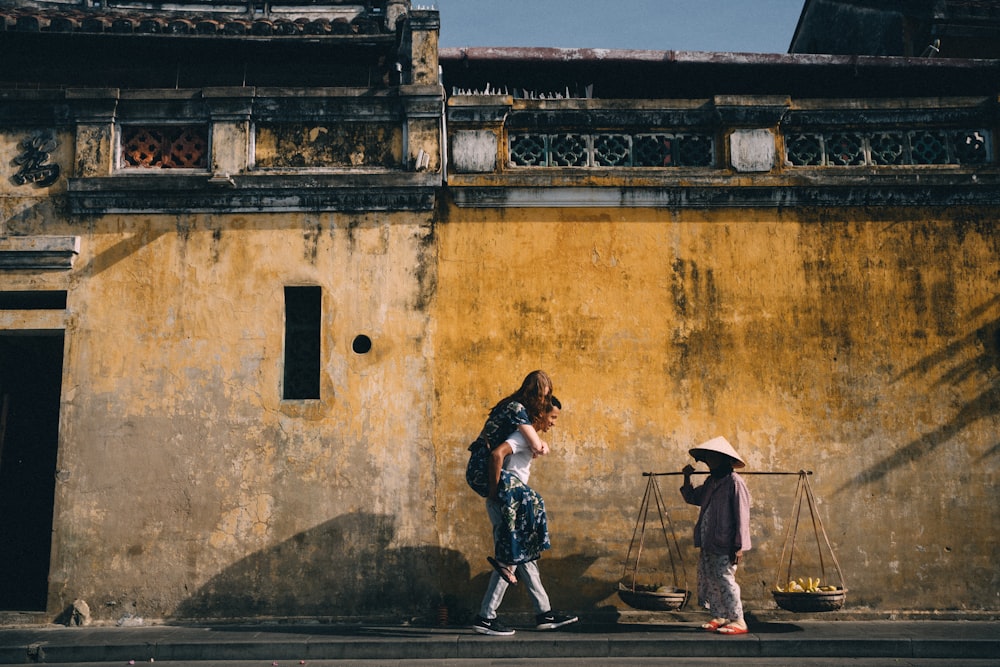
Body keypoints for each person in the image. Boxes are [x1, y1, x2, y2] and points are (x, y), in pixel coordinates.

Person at [472, 396, 579, 636]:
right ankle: (485, 617)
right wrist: (495, 494)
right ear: (539, 414)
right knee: (510, 556)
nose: (553, 423)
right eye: (552, 417)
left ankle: (544, 614)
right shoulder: (520, 436)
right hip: (508, 503)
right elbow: (497, 455)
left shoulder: (526, 437)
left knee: (526, 556)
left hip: (512, 503)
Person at [680, 436, 752, 636]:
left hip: (725, 543)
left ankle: (738, 619)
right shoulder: (712, 482)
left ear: (722, 459)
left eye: (711, 458)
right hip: (708, 541)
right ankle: (720, 615)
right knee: (710, 578)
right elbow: (693, 497)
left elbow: (742, 516)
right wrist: (687, 478)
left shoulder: (734, 483)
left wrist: (739, 546)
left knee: (725, 579)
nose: (707, 462)